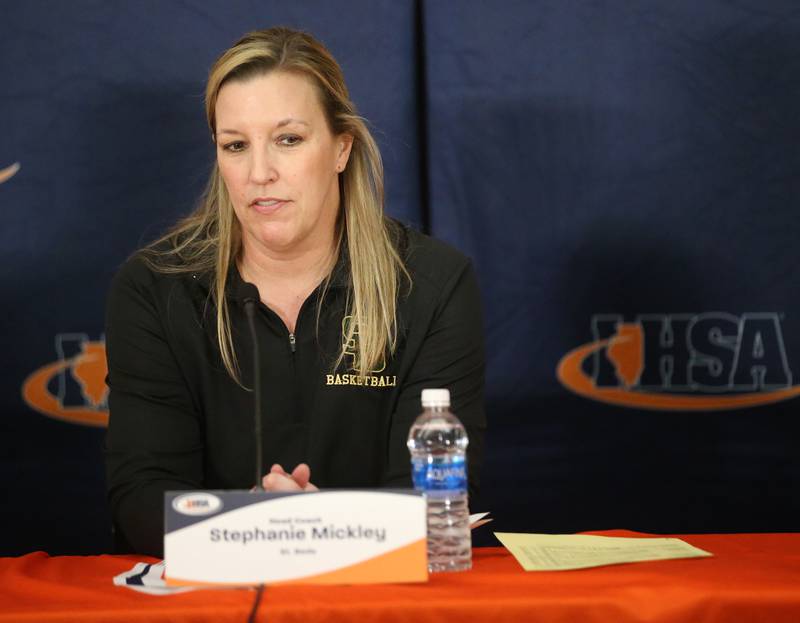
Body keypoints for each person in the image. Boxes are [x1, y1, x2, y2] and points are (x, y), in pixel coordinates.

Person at [105, 27, 486, 557]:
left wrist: (307, 528)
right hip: (216, 598)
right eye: (236, 146)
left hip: (387, 602)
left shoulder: (432, 283)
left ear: (340, 148)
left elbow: (436, 501)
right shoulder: (154, 289)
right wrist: (258, 528)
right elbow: (141, 498)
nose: (260, 172)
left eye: (288, 139)